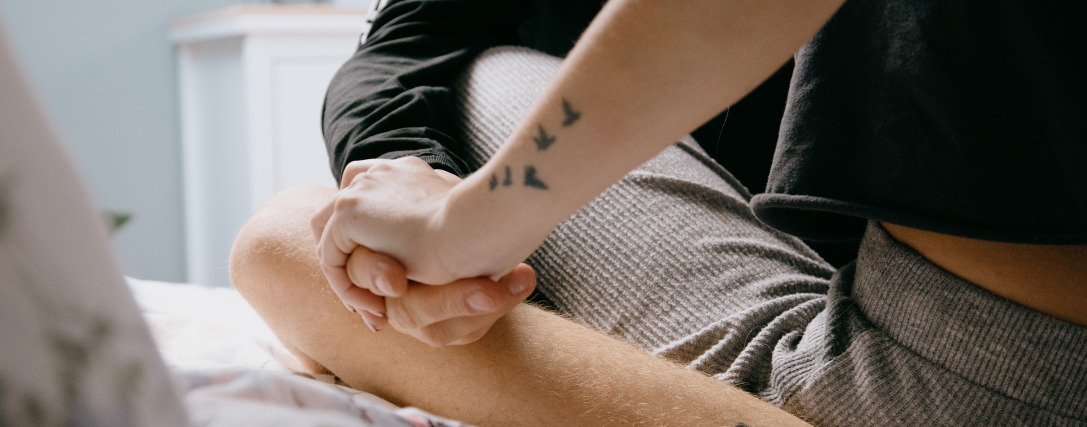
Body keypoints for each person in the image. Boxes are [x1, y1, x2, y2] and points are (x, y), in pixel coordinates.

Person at [230, 0, 1087, 425]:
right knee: (306, 229)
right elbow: (404, 51)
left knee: (282, 243)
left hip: (990, 380)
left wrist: (467, 226)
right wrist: (427, 189)